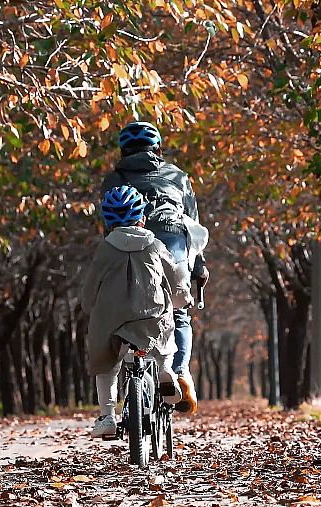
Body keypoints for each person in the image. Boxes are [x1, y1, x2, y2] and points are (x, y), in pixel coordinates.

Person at [100, 121, 209, 414]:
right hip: (174, 242)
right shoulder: (178, 176)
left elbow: (107, 224)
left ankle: (126, 378)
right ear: (158, 148)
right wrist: (198, 267)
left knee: (125, 306)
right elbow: (193, 225)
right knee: (179, 312)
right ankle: (180, 372)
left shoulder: (113, 179)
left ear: (123, 150)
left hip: (129, 244)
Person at [81, 185, 192, 438]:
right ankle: (166, 370)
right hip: (150, 317)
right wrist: (182, 298)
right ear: (142, 218)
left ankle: (107, 415)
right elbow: (175, 277)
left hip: (111, 322)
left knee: (107, 366)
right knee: (165, 337)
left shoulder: (105, 249)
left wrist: (89, 307)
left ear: (107, 221)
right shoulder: (155, 245)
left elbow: (89, 290)